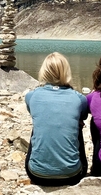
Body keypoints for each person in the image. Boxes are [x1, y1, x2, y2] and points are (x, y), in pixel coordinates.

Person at [25, 52, 89, 186]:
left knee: (39, 124)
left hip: (37, 175)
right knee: (77, 125)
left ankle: (43, 163)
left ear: (44, 72)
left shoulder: (31, 96)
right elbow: (83, 115)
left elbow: (33, 112)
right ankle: (70, 164)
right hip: (72, 175)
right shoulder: (79, 98)